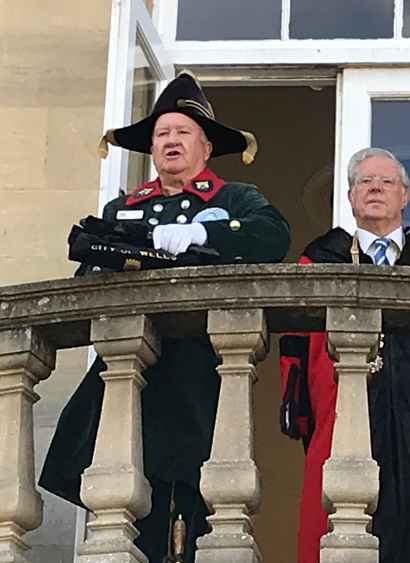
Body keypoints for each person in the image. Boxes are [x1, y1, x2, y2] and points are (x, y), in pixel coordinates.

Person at [39, 71, 290, 562]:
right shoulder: (124, 206)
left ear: (205, 146)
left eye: (182, 133)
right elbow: (87, 279)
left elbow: (273, 236)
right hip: (130, 370)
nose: (171, 141)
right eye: (162, 134)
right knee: (119, 489)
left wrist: (206, 234)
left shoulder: (233, 199)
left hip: (197, 367)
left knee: (188, 495)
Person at [279, 147, 410, 563]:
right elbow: (295, 340)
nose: (376, 188)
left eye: (387, 182)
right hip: (340, 407)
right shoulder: (320, 257)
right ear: (350, 196)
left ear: (405, 196)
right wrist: (296, 406)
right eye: (365, 181)